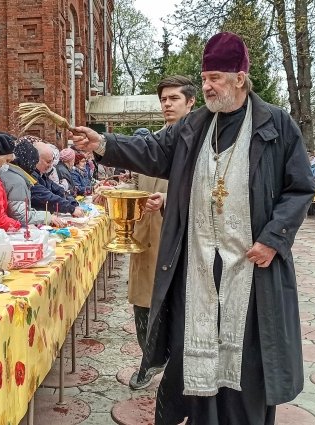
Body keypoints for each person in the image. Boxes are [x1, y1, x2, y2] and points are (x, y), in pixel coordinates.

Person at [70, 32, 315, 424]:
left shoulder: (277, 124)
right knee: (196, 363)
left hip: (252, 269)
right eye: (204, 77)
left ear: (240, 77)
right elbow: (152, 152)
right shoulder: (195, 125)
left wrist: (273, 238)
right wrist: (102, 144)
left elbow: (300, 188)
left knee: (247, 364)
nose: (206, 86)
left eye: (215, 77)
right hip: (198, 267)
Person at [128, 75, 197, 391]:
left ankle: (178, 369)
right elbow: (141, 179)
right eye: (164, 99)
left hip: (180, 239)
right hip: (145, 234)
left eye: (174, 99)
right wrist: (120, 189)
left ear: (191, 102)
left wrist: (171, 201)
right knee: (141, 303)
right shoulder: (154, 140)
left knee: (178, 306)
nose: (167, 104)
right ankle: (150, 359)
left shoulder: (201, 143)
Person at [1, 138, 66, 226]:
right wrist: (47, 217)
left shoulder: (18, 174)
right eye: (34, 162)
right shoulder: (17, 180)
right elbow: (21, 215)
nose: (34, 166)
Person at [27, 139, 85, 217]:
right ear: (36, 159)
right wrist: (71, 209)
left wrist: (73, 204)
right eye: (48, 162)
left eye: (52, 161)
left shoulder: (42, 174)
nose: (51, 165)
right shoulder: (31, 175)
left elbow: (59, 190)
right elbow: (46, 196)